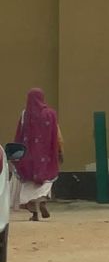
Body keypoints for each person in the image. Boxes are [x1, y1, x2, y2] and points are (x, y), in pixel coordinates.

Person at [13, 88, 63, 221]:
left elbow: (19, 134)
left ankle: (34, 214)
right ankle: (42, 202)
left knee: (28, 184)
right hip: (46, 157)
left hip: (28, 157)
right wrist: (59, 150)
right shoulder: (51, 114)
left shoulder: (25, 114)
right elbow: (57, 134)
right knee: (45, 182)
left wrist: (15, 153)